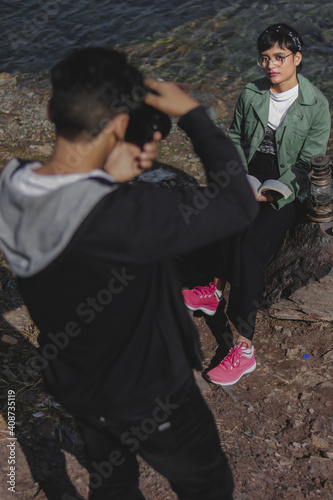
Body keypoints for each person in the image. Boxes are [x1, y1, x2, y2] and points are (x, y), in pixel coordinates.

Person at [0, 47, 259, 499]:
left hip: (79, 385)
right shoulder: (125, 217)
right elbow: (237, 204)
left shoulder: (12, 185)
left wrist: (107, 179)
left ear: (49, 109)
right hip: (151, 395)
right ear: (121, 125)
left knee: (112, 481)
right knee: (207, 484)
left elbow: (74, 218)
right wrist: (194, 115)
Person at [182, 23, 331, 387]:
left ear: (297, 58)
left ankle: (244, 347)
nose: (271, 65)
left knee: (250, 245)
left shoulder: (316, 106)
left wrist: (273, 191)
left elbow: (308, 164)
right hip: (249, 179)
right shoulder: (252, 93)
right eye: (265, 58)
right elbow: (234, 137)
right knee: (228, 218)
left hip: (286, 191)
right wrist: (240, 179)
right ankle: (213, 290)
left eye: (279, 57)